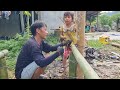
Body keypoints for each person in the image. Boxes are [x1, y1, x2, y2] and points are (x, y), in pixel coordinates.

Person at [59, 11, 77, 76]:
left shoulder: (75, 26)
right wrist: (63, 37)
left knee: (75, 56)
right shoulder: (62, 27)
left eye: (68, 17)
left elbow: (78, 34)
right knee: (65, 56)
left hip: (75, 44)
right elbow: (60, 35)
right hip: (67, 44)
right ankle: (64, 67)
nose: (66, 18)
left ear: (72, 18)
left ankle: (76, 69)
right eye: (65, 17)